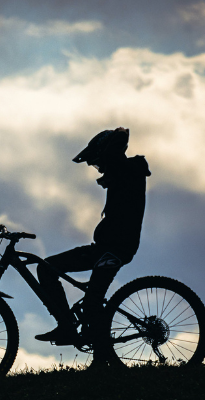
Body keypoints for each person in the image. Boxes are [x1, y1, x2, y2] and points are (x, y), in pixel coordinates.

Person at [35, 127, 150, 346]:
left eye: (98, 162)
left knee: (92, 304)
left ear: (108, 154)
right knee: (46, 267)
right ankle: (67, 326)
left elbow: (114, 161)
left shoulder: (129, 170)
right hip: (102, 248)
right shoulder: (122, 172)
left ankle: (101, 357)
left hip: (116, 249)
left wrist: (108, 150)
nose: (98, 169)